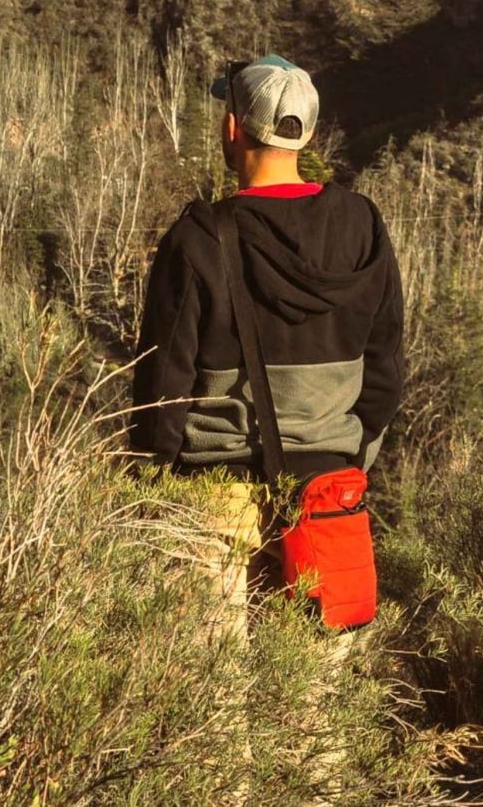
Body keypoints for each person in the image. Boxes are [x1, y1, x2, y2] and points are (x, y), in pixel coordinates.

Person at [130, 54, 404, 633]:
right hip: (327, 501)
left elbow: (162, 391)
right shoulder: (364, 226)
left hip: (214, 500)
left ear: (233, 128)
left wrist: (149, 490)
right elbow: (384, 371)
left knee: (206, 683)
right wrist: (344, 460)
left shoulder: (196, 240)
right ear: (306, 133)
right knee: (314, 685)